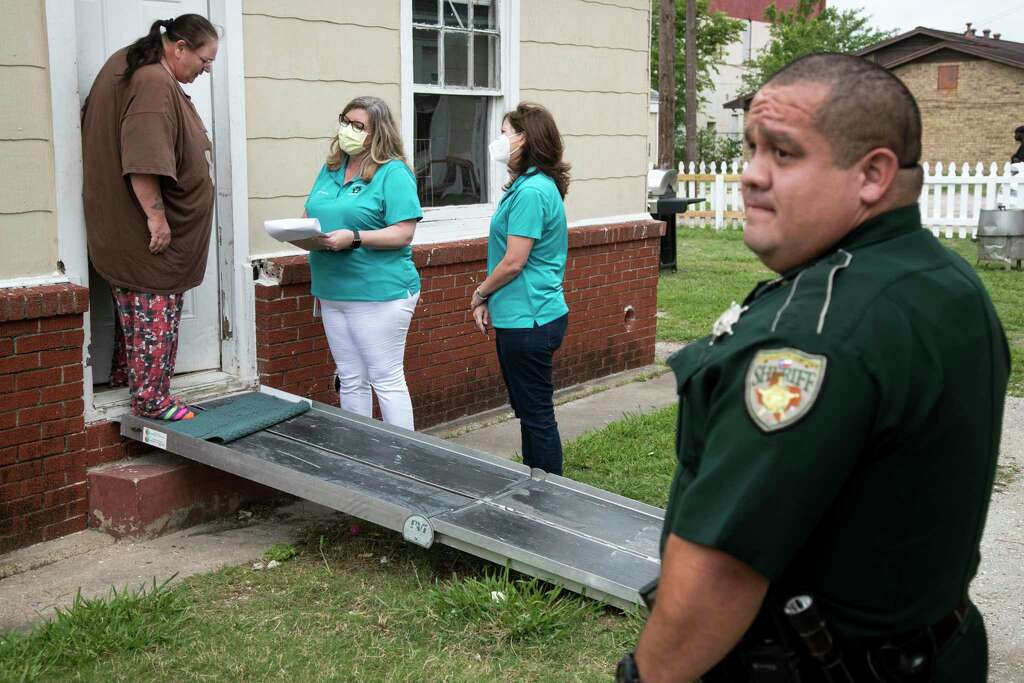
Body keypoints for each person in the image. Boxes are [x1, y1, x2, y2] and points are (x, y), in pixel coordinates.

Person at [618, 53, 1009, 683]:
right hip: (936, 648)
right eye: (750, 149)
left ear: (873, 174)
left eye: (783, 153)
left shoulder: (812, 337)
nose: (750, 175)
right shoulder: (946, 279)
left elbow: (720, 571)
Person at [81, 14, 219, 421]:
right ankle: (152, 400)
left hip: (125, 230)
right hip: (144, 234)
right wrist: (156, 219)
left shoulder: (133, 66)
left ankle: (128, 379)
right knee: (154, 311)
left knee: (138, 314)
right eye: (205, 59)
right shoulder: (154, 81)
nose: (206, 69)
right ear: (179, 48)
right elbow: (143, 160)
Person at [296, 96, 422, 430]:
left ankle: (402, 459)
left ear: (377, 133)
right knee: (351, 378)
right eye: (345, 121)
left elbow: (403, 233)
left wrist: (354, 237)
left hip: (380, 292)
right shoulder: (331, 168)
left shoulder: (393, 173)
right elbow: (311, 213)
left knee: (385, 379)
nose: (347, 130)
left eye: (358, 126)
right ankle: (361, 454)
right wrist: (301, 232)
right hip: (332, 288)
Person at [470, 103, 571, 475]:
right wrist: (491, 301)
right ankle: (536, 484)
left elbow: (514, 261)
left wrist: (480, 293)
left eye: (505, 132)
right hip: (527, 314)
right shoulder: (528, 187)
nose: (499, 140)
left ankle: (547, 494)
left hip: (530, 319)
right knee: (530, 411)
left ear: (524, 139)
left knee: (537, 415)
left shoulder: (531, 192)